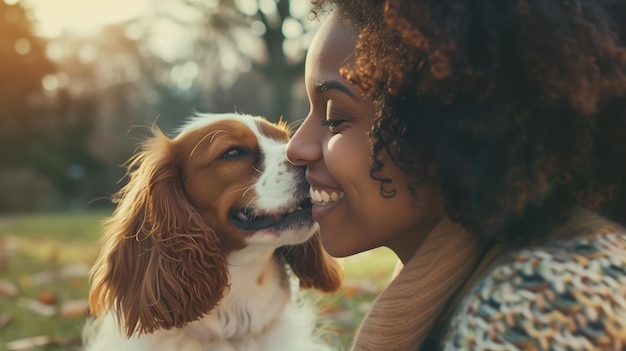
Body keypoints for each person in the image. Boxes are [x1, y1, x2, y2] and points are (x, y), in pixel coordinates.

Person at [285, 0, 626, 350]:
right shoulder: (461, 283)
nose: (295, 148)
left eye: (336, 118)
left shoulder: (545, 301)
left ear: (445, 126)